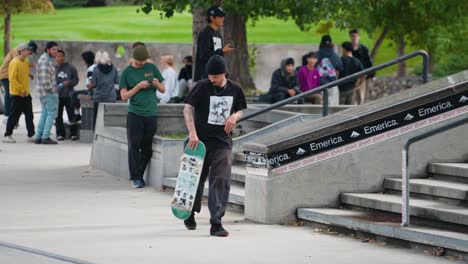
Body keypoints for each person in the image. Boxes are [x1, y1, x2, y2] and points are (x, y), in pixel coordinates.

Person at [183, 55, 247, 237]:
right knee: (195, 179)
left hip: (222, 142)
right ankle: (189, 212)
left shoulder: (235, 89)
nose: (212, 80)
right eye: (210, 76)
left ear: (224, 73)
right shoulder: (202, 86)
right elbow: (188, 108)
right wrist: (192, 133)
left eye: (216, 77)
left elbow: (241, 109)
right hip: (199, 142)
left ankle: (216, 222)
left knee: (220, 179)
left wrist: (235, 117)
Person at [119, 45, 165, 188]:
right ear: (134, 58)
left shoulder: (151, 68)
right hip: (135, 114)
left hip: (151, 113)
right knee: (134, 146)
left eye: (144, 61)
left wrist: (157, 84)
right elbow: (123, 96)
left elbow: (163, 90)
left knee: (147, 148)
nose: (142, 63)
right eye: (139, 61)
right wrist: (138, 87)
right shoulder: (127, 72)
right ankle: (136, 177)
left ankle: (138, 173)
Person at [2, 43, 36, 143]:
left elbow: (23, 70)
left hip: (26, 94)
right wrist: (21, 91)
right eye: (26, 50)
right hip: (17, 94)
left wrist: (30, 75)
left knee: (29, 115)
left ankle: (31, 135)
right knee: (14, 116)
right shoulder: (14, 62)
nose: (29, 51)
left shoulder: (24, 62)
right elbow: (12, 79)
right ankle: (7, 135)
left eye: (28, 50)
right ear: (21, 51)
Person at [193, 5, 235, 82]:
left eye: (223, 16)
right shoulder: (205, 34)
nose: (223, 19)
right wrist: (222, 51)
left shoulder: (218, 34)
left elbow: (218, 57)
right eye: (219, 16)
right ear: (212, 18)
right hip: (205, 77)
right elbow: (204, 55)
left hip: (216, 77)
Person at [35, 41, 59, 145]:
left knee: (45, 113)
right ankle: (45, 137)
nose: (56, 52)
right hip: (48, 92)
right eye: (54, 49)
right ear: (48, 49)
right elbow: (45, 81)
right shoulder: (45, 60)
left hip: (43, 93)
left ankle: (38, 137)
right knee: (51, 113)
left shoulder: (46, 59)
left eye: (56, 50)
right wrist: (53, 90)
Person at [55, 50, 79, 140]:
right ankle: (60, 134)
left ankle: (73, 134)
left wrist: (68, 83)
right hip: (57, 96)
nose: (60, 58)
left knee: (72, 115)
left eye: (62, 56)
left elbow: (76, 80)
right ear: (55, 57)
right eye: (58, 56)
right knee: (58, 116)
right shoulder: (53, 68)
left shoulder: (71, 68)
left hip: (69, 95)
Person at [91, 50, 119, 129]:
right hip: (111, 97)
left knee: (97, 119)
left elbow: (94, 84)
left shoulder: (96, 69)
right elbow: (117, 81)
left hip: (98, 97)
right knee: (109, 119)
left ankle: (96, 136)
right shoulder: (114, 69)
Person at [315, 35, 343, 105]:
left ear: (321, 43)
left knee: (321, 110)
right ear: (331, 44)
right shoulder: (335, 56)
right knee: (333, 109)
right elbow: (339, 69)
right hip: (332, 85)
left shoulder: (316, 55)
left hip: (319, 86)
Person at [350, 29, 374, 105]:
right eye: (353, 36)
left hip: (362, 76)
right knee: (352, 98)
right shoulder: (348, 48)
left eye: (356, 36)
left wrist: (372, 75)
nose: (354, 38)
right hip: (352, 76)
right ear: (350, 37)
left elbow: (369, 62)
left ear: (359, 37)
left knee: (361, 97)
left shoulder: (364, 49)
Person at [71, 51, 96, 122]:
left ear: (85, 60)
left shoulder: (91, 69)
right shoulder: (95, 67)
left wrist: (89, 86)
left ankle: (77, 114)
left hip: (93, 91)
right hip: (95, 90)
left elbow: (92, 83)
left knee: (74, 94)